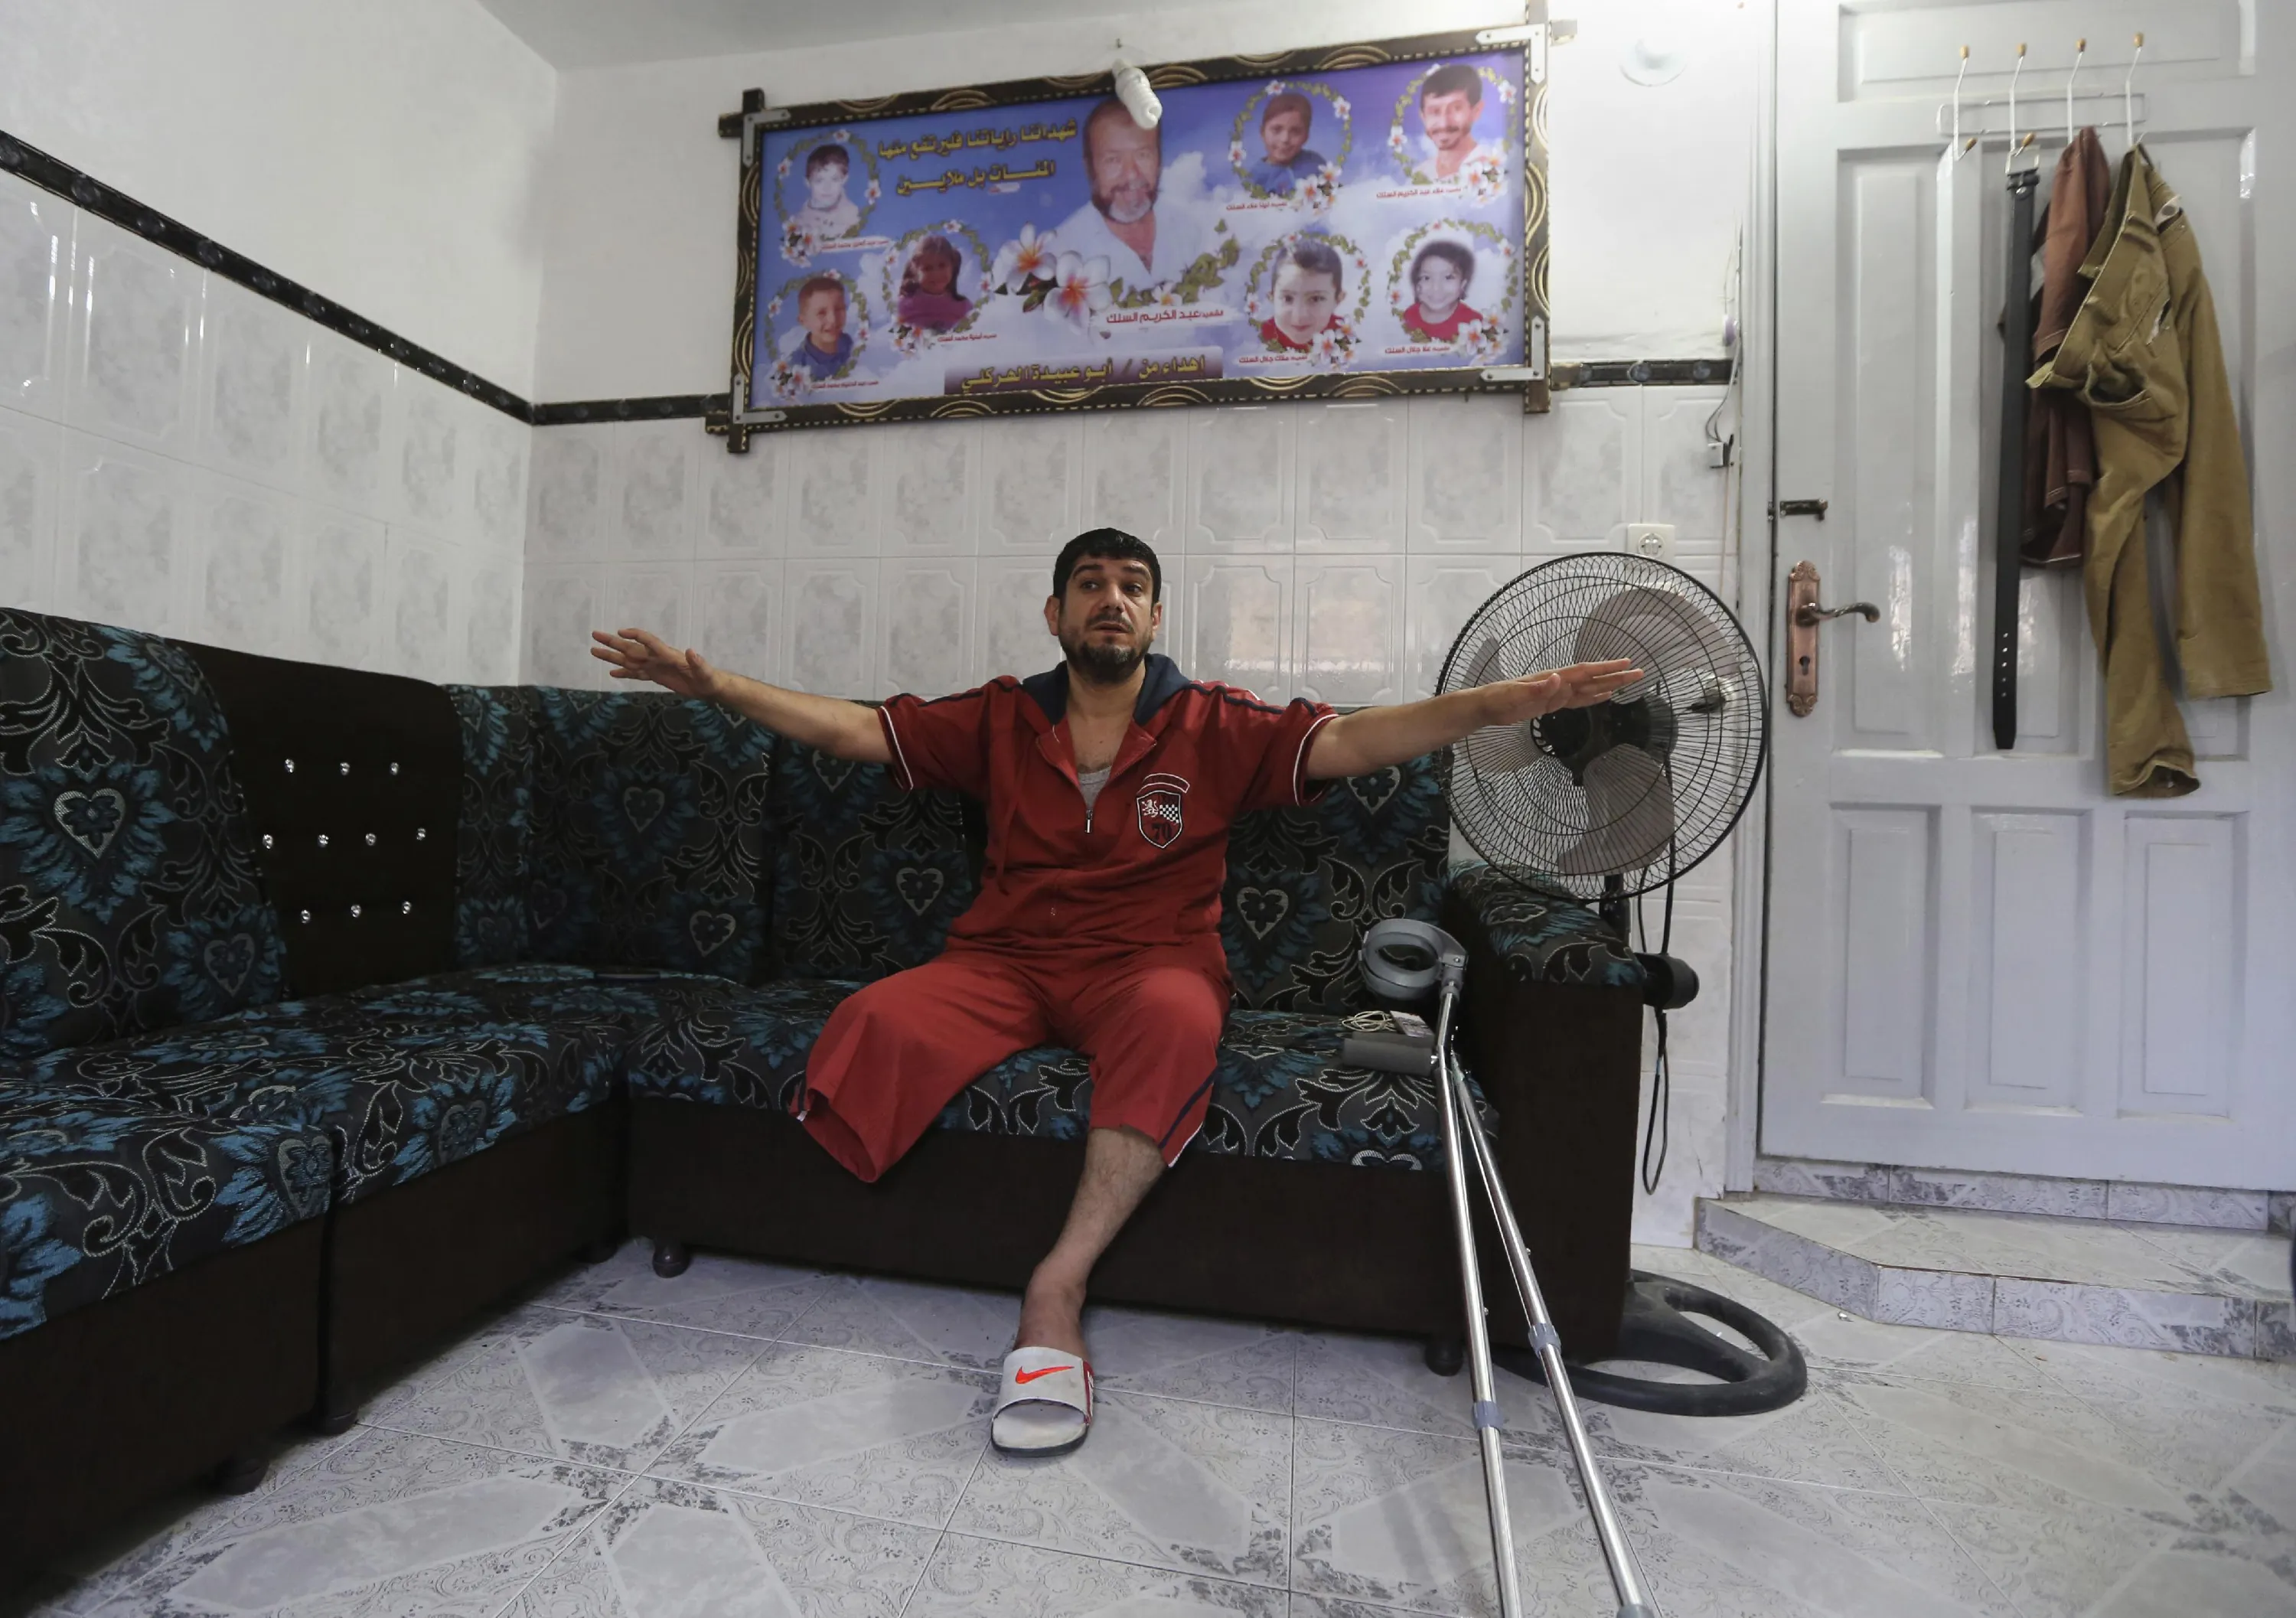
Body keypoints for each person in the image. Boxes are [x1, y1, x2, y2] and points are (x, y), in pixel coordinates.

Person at [590, 528, 1640, 1457]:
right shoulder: (1001, 716)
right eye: (1090, 583)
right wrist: (719, 687)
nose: (1112, 598)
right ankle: (851, 1238)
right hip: (1001, 962)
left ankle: (1058, 1282)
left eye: (1132, 585)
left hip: (1151, 964)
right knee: (873, 1018)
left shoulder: (1214, 720)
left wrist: (1499, 704)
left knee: (1179, 1020)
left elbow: (1356, 740)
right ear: (1055, 613)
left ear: (1156, 614)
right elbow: (853, 731)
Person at [1055, 98, 1215, 294]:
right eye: (1113, 160)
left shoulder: (1193, 232)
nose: (1131, 174)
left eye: (1143, 155)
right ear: (1090, 168)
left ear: (1159, 159)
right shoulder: (1061, 252)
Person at [1413, 63, 1497, 182]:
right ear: (1423, 116)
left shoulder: (1493, 168)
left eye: (1456, 109)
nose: (1444, 123)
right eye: (1435, 112)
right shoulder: (1420, 174)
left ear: (1476, 111)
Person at [1258, 238, 1344, 351]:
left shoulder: (1345, 334)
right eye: (1288, 298)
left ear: (1338, 299)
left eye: (1316, 299)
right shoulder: (1262, 336)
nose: (1299, 316)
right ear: (1272, 298)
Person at [1399, 240, 1483, 341]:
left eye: (1448, 277)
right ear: (1417, 284)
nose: (1436, 288)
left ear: (1463, 285)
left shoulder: (1474, 323)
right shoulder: (1408, 316)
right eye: (1426, 278)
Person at [1247, 90, 1328, 195]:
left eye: (1295, 131)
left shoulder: (1316, 163)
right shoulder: (1255, 178)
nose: (1285, 139)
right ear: (1262, 133)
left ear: (1306, 136)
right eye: (1276, 130)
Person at [896, 234, 973, 331]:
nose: (936, 274)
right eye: (927, 268)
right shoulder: (905, 306)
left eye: (942, 265)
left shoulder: (964, 307)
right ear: (915, 272)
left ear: (952, 267)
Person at [787, 276, 853, 379]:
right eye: (821, 313)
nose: (833, 320)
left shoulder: (856, 348)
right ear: (803, 321)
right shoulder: (794, 368)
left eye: (839, 309)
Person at [792, 143, 861, 240]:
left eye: (834, 179)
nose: (827, 188)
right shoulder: (799, 221)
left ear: (844, 180)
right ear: (808, 182)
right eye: (819, 181)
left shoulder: (852, 216)